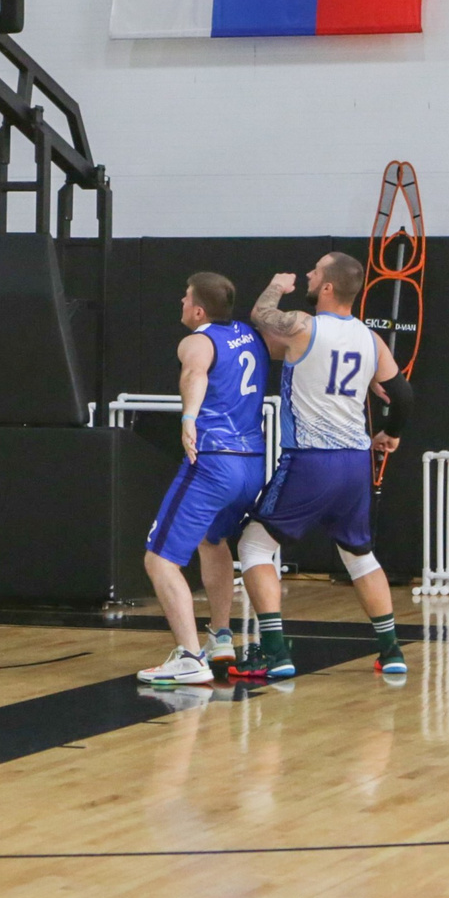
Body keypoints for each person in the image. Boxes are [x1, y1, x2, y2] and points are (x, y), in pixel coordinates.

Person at [226, 254, 413, 682]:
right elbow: (403, 396)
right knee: (359, 554)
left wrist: (277, 283)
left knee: (254, 545)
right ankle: (391, 650)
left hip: (311, 458)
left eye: (314, 272)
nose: (309, 275)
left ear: (327, 287)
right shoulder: (370, 339)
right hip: (354, 464)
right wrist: (391, 432)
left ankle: (275, 652)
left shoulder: (304, 326)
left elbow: (260, 315)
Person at [136, 273, 267, 688]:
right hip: (252, 464)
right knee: (214, 542)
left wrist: (189, 416)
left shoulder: (198, 340)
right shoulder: (250, 333)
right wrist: (278, 288)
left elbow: (195, 374)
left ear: (198, 310)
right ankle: (222, 638)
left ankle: (190, 657)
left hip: (214, 460)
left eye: (185, 295)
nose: (180, 299)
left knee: (159, 559)